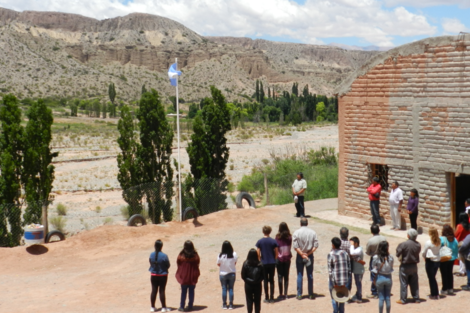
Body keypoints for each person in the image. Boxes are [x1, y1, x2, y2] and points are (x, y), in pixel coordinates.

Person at [292, 217, 319, 300]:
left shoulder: (296, 232)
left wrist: (302, 254)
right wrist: (307, 254)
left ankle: (299, 294)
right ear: (307, 223)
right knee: (310, 275)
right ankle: (310, 294)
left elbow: (295, 247)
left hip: (300, 256)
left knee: (300, 275)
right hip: (309, 255)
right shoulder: (313, 232)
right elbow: (315, 246)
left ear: (300, 224)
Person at [396, 228, 421, 304]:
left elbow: (397, 253)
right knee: (414, 283)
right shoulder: (418, 245)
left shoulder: (403, 244)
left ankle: (403, 299)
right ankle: (416, 298)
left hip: (405, 265)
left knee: (404, 283)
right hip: (414, 266)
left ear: (408, 236)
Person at [255, 226, 278, 303]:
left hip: (264, 263)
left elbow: (258, 252)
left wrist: (259, 260)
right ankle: (272, 297)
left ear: (263, 231)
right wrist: (274, 258)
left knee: (265, 280)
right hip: (272, 262)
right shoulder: (273, 241)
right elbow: (276, 252)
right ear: (270, 232)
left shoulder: (260, 241)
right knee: (271, 280)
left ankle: (266, 297)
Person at [176, 240, 200, 312]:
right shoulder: (195, 255)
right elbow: (198, 262)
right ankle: (190, 306)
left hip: (184, 276)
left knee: (183, 291)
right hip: (192, 276)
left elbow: (178, 262)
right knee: (191, 291)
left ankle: (182, 306)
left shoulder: (181, 255)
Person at [328, 237, 351, 313]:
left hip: (335, 280)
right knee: (342, 296)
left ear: (333, 245)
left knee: (334, 297)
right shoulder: (345, 253)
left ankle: (335, 311)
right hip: (344, 280)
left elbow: (330, 270)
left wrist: (333, 282)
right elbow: (349, 267)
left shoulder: (331, 254)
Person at [366, 224, 387, 299]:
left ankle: (374, 292)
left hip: (374, 258)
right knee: (382, 273)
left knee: (374, 275)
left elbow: (368, 252)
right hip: (382, 258)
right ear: (379, 230)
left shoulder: (371, 240)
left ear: (371, 231)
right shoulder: (384, 238)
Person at [149, 240, 171, 313]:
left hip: (153, 275)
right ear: (161, 246)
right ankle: (163, 307)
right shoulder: (164, 256)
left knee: (154, 290)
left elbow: (150, 263)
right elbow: (168, 265)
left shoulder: (151, 254)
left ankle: (152, 307)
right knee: (162, 291)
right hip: (162, 275)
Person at [372, 241, 394, 313]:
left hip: (380, 277)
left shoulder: (376, 257)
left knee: (381, 298)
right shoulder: (390, 257)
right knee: (387, 298)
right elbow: (391, 267)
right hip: (388, 278)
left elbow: (373, 267)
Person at [217, 241, 238, 310]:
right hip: (232, 273)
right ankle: (231, 304)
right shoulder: (234, 254)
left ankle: (224, 304)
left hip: (223, 274)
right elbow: (235, 262)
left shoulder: (220, 255)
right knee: (231, 289)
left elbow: (218, 264)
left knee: (224, 289)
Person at [241, 249, 264, 313]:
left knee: (249, 301)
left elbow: (243, 276)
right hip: (258, 285)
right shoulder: (260, 264)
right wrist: (256, 281)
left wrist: (250, 281)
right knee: (257, 301)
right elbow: (263, 276)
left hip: (248, 285)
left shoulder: (245, 264)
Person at [422, 227, 441, 299]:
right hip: (437, 260)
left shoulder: (428, 242)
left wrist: (424, 257)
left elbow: (424, 252)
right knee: (433, 277)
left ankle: (434, 294)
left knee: (431, 278)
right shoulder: (439, 241)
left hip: (430, 261)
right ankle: (435, 293)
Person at [439, 225, 459, 295]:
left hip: (444, 258)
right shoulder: (455, 239)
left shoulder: (442, 239)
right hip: (451, 258)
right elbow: (456, 249)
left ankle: (444, 289)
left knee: (444, 274)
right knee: (449, 273)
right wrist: (455, 256)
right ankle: (450, 288)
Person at [275, 222, 292, 300]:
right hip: (287, 258)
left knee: (279, 276)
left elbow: (276, 248)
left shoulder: (277, 237)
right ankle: (286, 293)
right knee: (286, 276)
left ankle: (281, 293)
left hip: (279, 258)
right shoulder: (289, 237)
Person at [349, 236, 365, 303]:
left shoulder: (359, 249)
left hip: (359, 270)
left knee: (358, 284)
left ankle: (359, 297)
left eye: (352, 243)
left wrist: (352, 245)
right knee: (357, 283)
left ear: (356, 243)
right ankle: (357, 295)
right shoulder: (357, 249)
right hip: (357, 270)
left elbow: (352, 253)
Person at [455, 212, 470, 277]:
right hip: (468, 242)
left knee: (461, 257)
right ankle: (466, 270)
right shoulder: (469, 226)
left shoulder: (459, 226)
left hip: (461, 243)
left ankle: (462, 271)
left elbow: (456, 235)